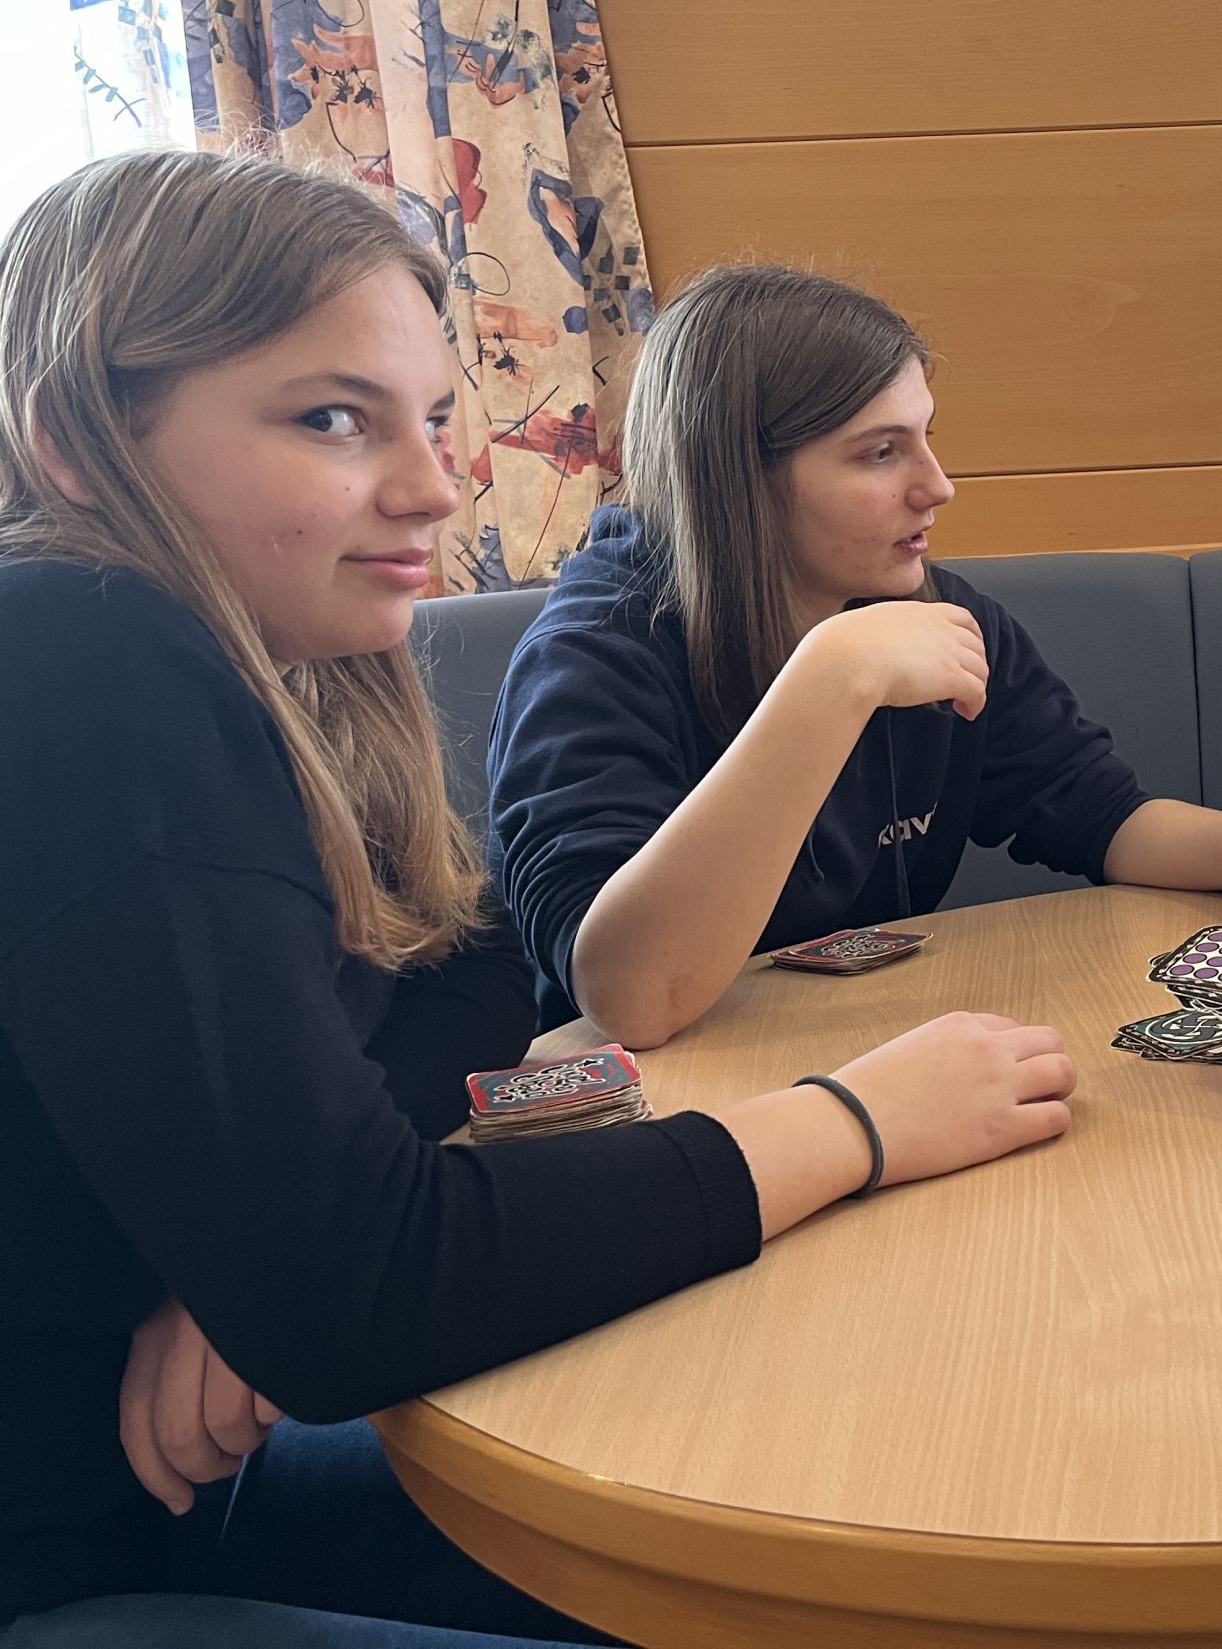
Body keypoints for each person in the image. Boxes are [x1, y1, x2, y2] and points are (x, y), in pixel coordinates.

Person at [0, 153, 1078, 1645]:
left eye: (434, 418)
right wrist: (854, 1120)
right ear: (74, 440)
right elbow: (363, 1288)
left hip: (158, 1480)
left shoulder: (274, 671)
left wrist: (250, 1250)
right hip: (63, 1549)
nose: (434, 486)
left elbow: (473, 965)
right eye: (331, 418)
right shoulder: (83, 646)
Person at [488, 264, 1222, 1050]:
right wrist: (832, 681)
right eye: (880, 453)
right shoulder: (592, 657)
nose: (938, 486)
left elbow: (1099, 815)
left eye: (927, 437)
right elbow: (632, 997)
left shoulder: (935, 611)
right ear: (738, 479)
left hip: (856, 1057)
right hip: (666, 1117)